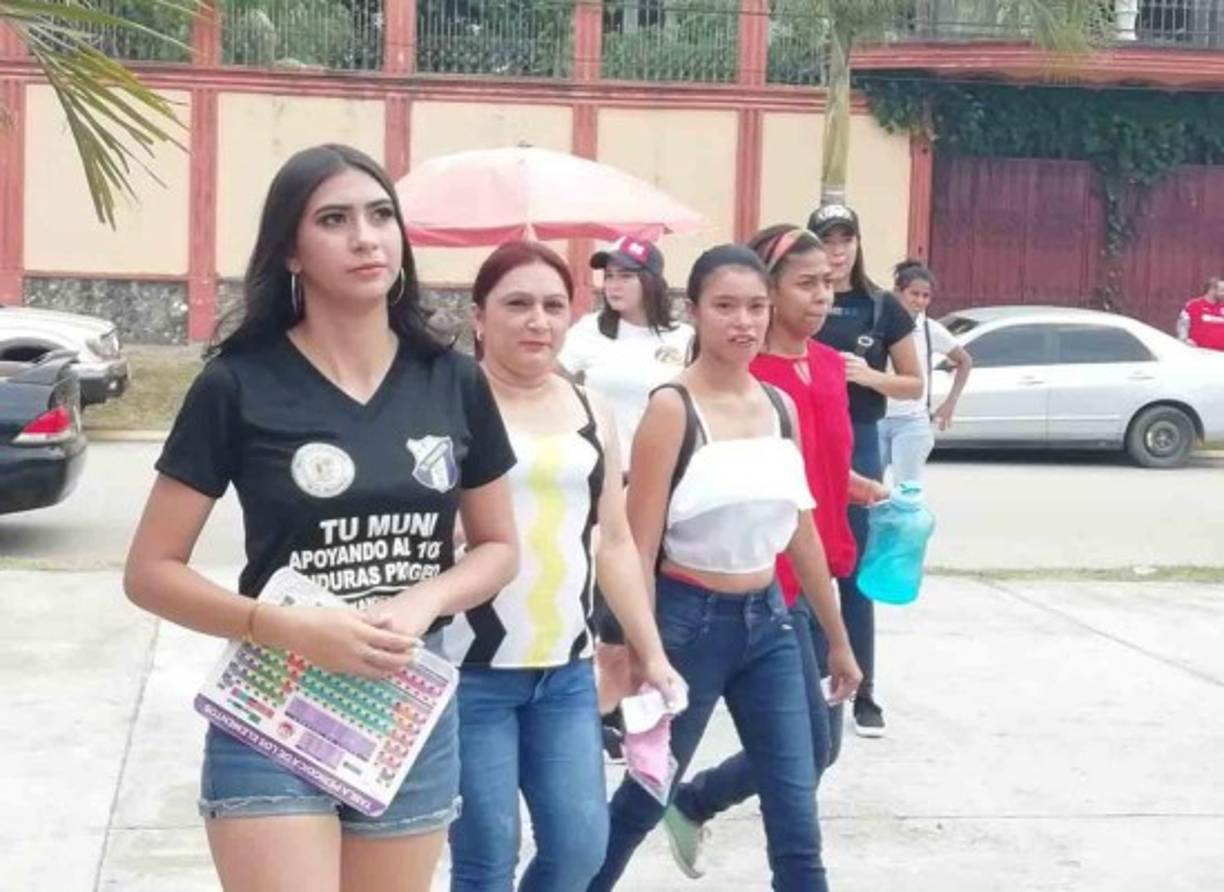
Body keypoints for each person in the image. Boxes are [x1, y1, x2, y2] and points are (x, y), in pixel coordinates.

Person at [123, 144, 519, 892]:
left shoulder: (453, 378)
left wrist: (425, 599)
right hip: (276, 702)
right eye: (334, 220)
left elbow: (498, 547)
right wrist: (281, 626)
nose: (366, 237)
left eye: (380, 216)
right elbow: (149, 573)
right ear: (292, 253)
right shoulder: (237, 385)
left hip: (406, 708)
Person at [587, 244, 862, 892]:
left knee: (797, 812)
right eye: (726, 307)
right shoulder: (672, 409)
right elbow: (636, 542)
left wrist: (839, 641)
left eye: (756, 307)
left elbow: (800, 531)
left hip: (770, 622)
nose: (743, 322)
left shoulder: (778, 405)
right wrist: (632, 651)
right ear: (695, 313)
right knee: (646, 795)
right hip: (689, 626)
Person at [445, 241, 684, 892]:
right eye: (516, 304)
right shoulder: (448, 406)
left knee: (580, 851)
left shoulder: (589, 409)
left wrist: (651, 653)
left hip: (565, 674)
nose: (537, 321)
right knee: (487, 860)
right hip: (471, 676)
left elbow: (613, 542)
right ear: (478, 317)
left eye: (553, 305)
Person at [660, 226, 887, 880]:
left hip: (827, 569)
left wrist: (853, 483)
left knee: (815, 752)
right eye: (805, 284)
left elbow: (808, 464)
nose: (821, 297)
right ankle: (686, 802)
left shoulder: (825, 364)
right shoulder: (742, 372)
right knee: (804, 757)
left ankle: (694, 802)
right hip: (764, 584)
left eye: (828, 284)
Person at [558, 236, 693, 756]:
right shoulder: (587, 335)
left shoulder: (682, 338)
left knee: (660, 603)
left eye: (625, 275)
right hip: (608, 488)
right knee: (611, 619)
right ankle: (601, 718)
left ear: (651, 281)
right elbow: (557, 386)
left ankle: (648, 708)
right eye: (607, 275)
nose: (613, 285)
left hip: (669, 489)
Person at [809, 203, 922, 739]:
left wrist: (870, 376)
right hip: (803, 439)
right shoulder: (800, 302)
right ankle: (810, 679)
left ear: (857, 242)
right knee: (803, 565)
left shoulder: (883, 309)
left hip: (859, 440)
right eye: (826, 238)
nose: (836, 249)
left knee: (854, 573)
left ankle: (866, 690)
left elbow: (915, 383)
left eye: (844, 238)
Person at [879, 260, 974, 484]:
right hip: (876, 418)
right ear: (898, 292)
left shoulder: (931, 329)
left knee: (907, 490)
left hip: (912, 420)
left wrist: (950, 403)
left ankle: (904, 521)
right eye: (914, 294)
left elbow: (965, 361)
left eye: (926, 296)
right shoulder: (878, 325)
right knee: (867, 487)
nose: (920, 301)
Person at [1176, 277, 1224, 351]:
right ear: (1211, 290)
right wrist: (1185, 339)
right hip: (1199, 353)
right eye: (1222, 290)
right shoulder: (1193, 305)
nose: (1223, 293)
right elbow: (1182, 325)